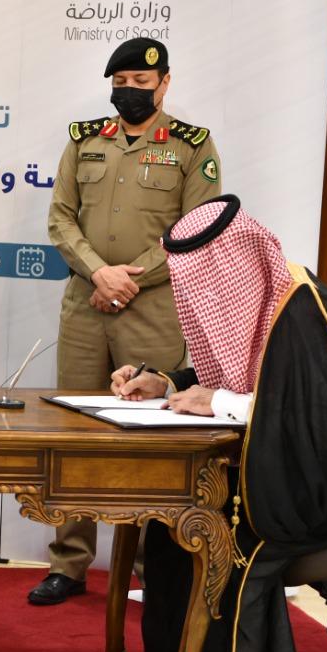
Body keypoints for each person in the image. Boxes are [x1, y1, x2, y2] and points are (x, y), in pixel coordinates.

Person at [111, 194, 327, 652]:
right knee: (175, 519)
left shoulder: (307, 315)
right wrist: (166, 382)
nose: (201, 309)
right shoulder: (267, 304)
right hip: (307, 477)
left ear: (234, 270)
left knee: (224, 538)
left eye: (206, 291)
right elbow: (245, 377)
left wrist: (220, 402)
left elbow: (322, 427)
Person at [33, 38, 223, 606]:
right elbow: (61, 218)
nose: (130, 92)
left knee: (148, 437)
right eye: (121, 83)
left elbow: (198, 229)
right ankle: (68, 563)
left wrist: (127, 280)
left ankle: (147, 568)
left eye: (142, 83)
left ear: (165, 83)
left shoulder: (191, 146)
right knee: (74, 433)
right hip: (86, 304)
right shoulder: (85, 140)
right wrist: (99, 273)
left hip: (153, 308)